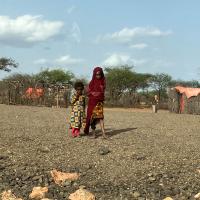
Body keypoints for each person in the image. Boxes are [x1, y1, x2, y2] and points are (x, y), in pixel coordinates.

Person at [84, 67, 106, 139]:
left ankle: (104, 134)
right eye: (96, 74)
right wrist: (95, 94)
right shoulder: (92, 82)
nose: (98, 76)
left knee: (100, 117)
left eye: (99, 74)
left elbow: (102, 92)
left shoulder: (103, 81)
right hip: (92, 102)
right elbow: (88, 91)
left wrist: (98, 94)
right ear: (94, 74)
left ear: (101, 74)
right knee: (92, 118)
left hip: (99, 103)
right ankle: (94, 134)